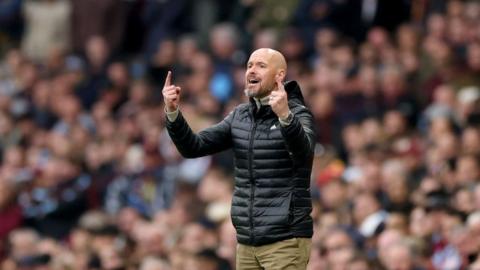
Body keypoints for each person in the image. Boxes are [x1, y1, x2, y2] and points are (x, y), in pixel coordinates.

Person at [163, 48, 315, 269]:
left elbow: (305, 153)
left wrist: (284, 116)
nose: (252, 70)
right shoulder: (239, 116)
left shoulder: (298, 113)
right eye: (249, 65)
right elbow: (193, 148)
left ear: (279, 76)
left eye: (261, 66)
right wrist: (173, 113)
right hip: (246, 241)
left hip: (285, 238)